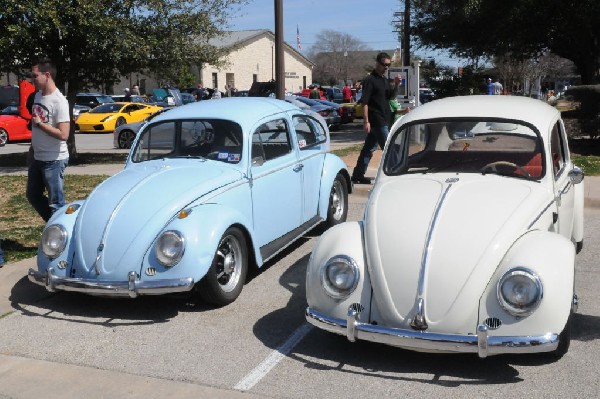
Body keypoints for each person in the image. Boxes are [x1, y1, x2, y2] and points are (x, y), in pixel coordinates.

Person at [27, 58, 70, 222]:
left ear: (47, 75)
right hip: (37, 158)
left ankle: (61, 234)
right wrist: (31, 150)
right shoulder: (37, 96)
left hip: (54, 160)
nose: (32, 79)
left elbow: (63, 134)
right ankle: (54, 226)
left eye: (34, 75)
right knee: (33, 195)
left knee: (56, 203)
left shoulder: (59, 101)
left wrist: (40, 124)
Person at [351, 52, 400, 184]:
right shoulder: (370, 80)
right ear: (377, 64)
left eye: (388, 65)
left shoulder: (384, 80)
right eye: (384, 65)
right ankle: (397, 173)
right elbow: (365, 102)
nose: (386, 67)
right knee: (389, 147)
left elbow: (391, 97)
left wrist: (396, 84)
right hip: (377, 120)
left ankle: (357, 175)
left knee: (368, 149)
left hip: (383, 119)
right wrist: (366, 121)